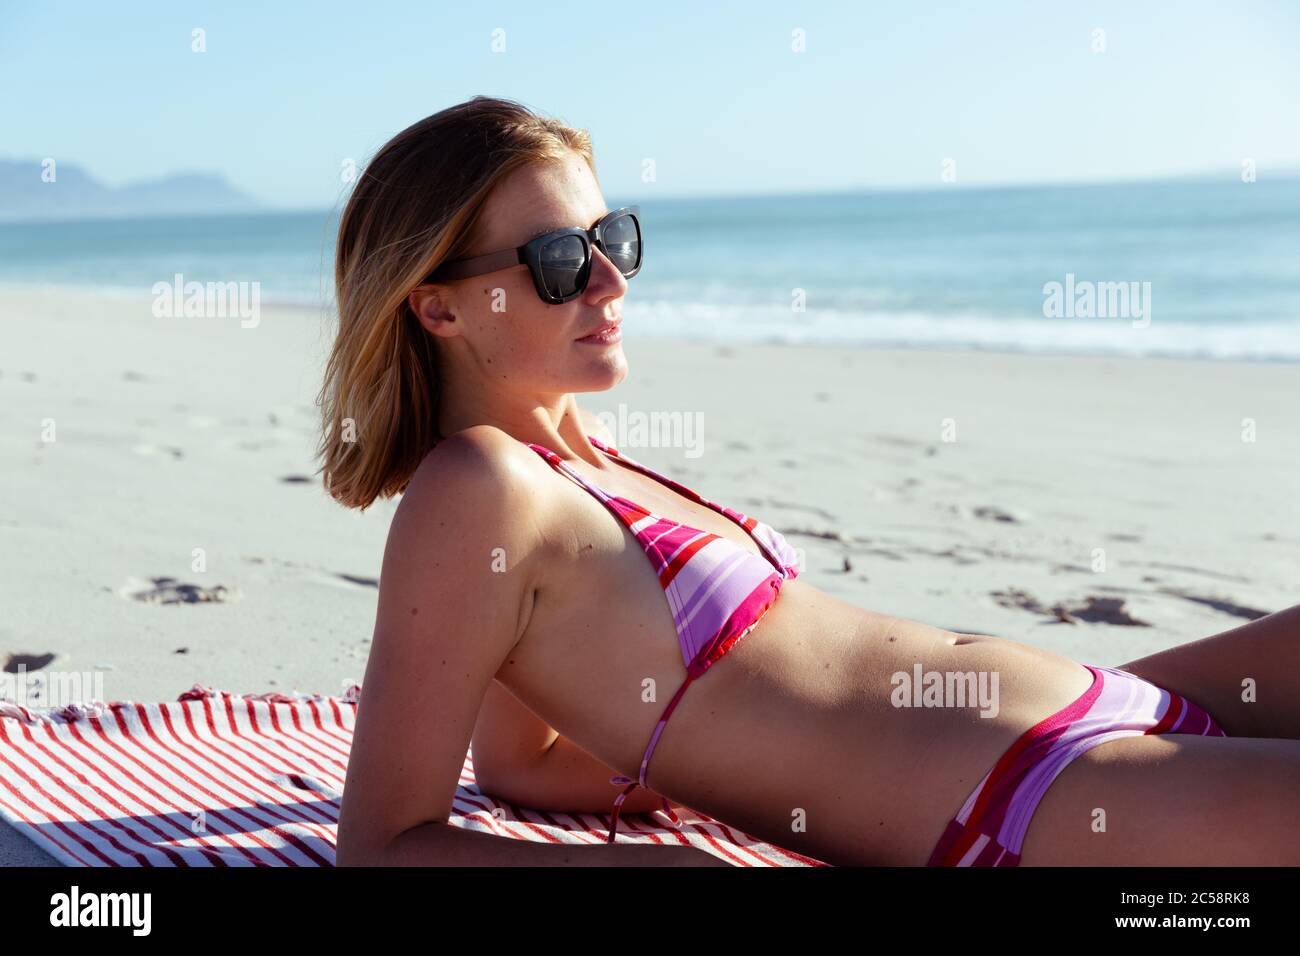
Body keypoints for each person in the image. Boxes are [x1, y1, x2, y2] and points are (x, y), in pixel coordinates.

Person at [324, 96, 1300, 867]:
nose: (609, 282)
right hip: (1033, 793)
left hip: (1103, 698)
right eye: (557, 260)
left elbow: (522, 762)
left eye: (610, 238)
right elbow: (384, 840)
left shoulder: (586, 463)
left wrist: (729, 756)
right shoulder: (475, 488)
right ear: (437, 307)